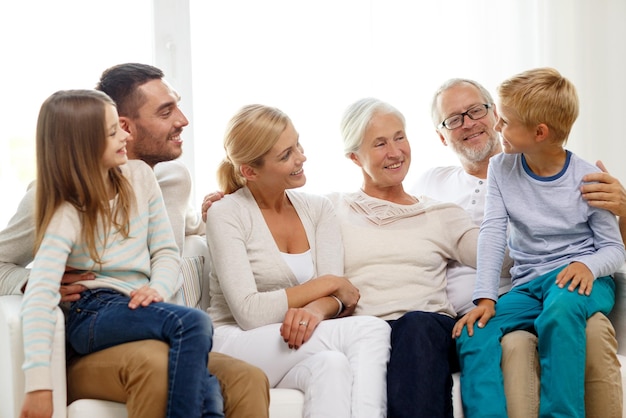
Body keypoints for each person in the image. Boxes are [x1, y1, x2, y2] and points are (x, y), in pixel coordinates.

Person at [0, 63, 270, 418]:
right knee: (170, 352)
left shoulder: (165, 179)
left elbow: (176, 238)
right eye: (166, 111)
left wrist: (224, 210)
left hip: (152, 319)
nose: (183, 120)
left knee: (242, 379)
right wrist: (34, 281)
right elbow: (20, 275)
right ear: (123, 126)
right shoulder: (56, 201)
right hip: (97, 328)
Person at [413, 77, 625, 417]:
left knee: (560, 312)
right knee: (473, 330)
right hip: (528, 287)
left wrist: (588, 266)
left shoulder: (587, 178)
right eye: (455, 118)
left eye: (503, 120)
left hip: (581, 280)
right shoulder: (501, 167)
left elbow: (614, 249)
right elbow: (493, 231)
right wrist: (485, 298)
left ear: (539, 132)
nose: (497, 125)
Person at [20, 89, 222, 418]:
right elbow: (39, 296)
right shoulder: (66, 212)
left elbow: (166, 251)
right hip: (92, 313)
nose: (125, 136)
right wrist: (39, 386)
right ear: (82, 146)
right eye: (113, 131)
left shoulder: (140, 177)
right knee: (193, 323)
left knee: (209, 390)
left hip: (135, 304)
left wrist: (157, 288)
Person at [204, 104, 391, 417]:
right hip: (234, 342)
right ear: (250, 171)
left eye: (298, 145)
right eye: (286, 155)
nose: (301, 157)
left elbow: (336, 298)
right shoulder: (227, 213)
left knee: (332, 366)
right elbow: (249, 312)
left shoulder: (318, 209)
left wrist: (316, 308)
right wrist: (329, 284)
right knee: (370, 331)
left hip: (289, 342)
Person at [328, 97, 482, 418]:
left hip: (428, 331)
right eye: (380, 143)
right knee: (376, 337)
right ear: (354, 157)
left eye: (400, 137)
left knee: (414, 326)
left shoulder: (441, 214)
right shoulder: (331, 209)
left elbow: (501, 257)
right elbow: (271, 218)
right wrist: (226, 198)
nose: (395, 152)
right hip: (365, 334)